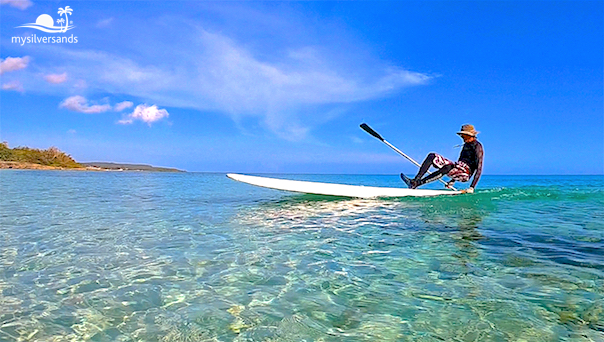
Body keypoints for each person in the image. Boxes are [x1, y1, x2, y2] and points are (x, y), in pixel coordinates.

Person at [401, 124, 484, 194]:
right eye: (462, 135)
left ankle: (417, 184)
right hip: (456, 168)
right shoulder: (466, 145)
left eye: (464, 135)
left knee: (449, 167)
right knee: (432, 156)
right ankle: (415, 181)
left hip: (466, 174)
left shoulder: (478, 147)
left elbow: (479, 168)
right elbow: (459, 163)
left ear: (470, 135)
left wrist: (471, 187)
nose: (462, 137)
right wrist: (452, 181)